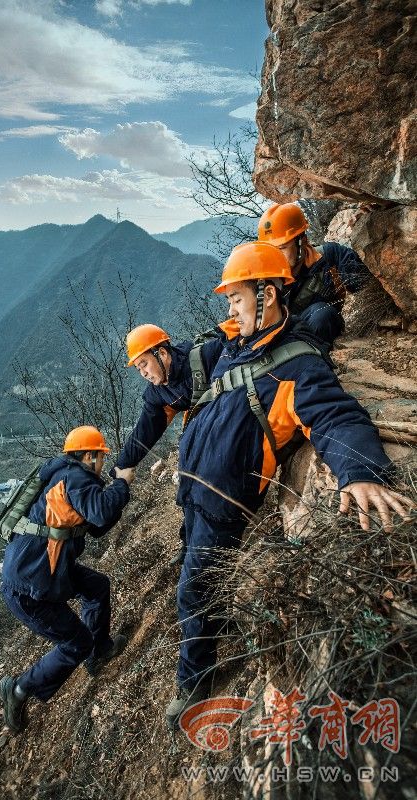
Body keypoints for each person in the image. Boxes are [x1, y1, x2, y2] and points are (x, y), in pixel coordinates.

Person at [166, 241, 415, 728]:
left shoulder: (298, 364)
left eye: (237, 298)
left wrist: (361, 472)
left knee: (192, 590)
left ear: (268, 295)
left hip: (223, 501)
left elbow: (336, 415)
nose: (231, 309)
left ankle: (194, 680)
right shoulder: (237, 347)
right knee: (191, 570)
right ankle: (214, 628)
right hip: (194, 490)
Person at [0, 425, 135, 733]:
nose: (101, 462)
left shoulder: (66, 478)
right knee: (75, 643)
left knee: (96, 587)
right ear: (89, 456)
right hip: (30, 585)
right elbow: (100, 512)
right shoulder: (74, 478)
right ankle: (18, 690)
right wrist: (122, 485)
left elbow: (96, 526)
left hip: (44, 570)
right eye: (100, 457)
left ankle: (100, 650)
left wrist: (115, 491)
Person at [113, 321, 238, 566]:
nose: (144, 373)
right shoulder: (158, 393)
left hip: (230, 420)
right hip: (205, 430)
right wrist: (122, 465)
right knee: (187, 482)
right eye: (139, 369)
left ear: (162, 353)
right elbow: (144, 432)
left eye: (144, 364)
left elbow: (236, 345)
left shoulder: (204, 355)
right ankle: (189, 543)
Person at [258, 202, 370, 346]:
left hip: (316, 332)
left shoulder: (329, 257)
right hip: (279, 341)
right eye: (271, 250)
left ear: (302, 242)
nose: (276, 257)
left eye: (282, 248)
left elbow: (365, 283)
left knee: (322, 314)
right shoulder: (263, 279)